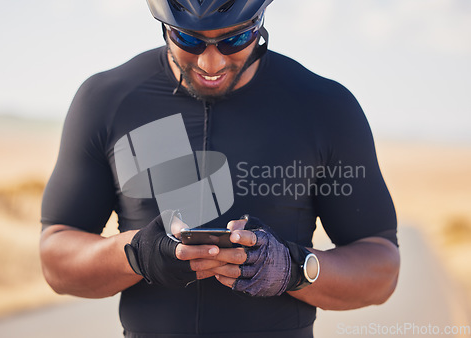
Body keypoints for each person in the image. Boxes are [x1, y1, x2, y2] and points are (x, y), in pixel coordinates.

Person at [40, 0, 400, 337]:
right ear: (164, 27)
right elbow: (56, 261)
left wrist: (293, 268)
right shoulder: (107, 99)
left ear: (260, 24)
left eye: (235, 39)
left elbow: (381, 270)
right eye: (188, 39)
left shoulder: (326, 107)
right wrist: (134, 253)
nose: (210, 64)